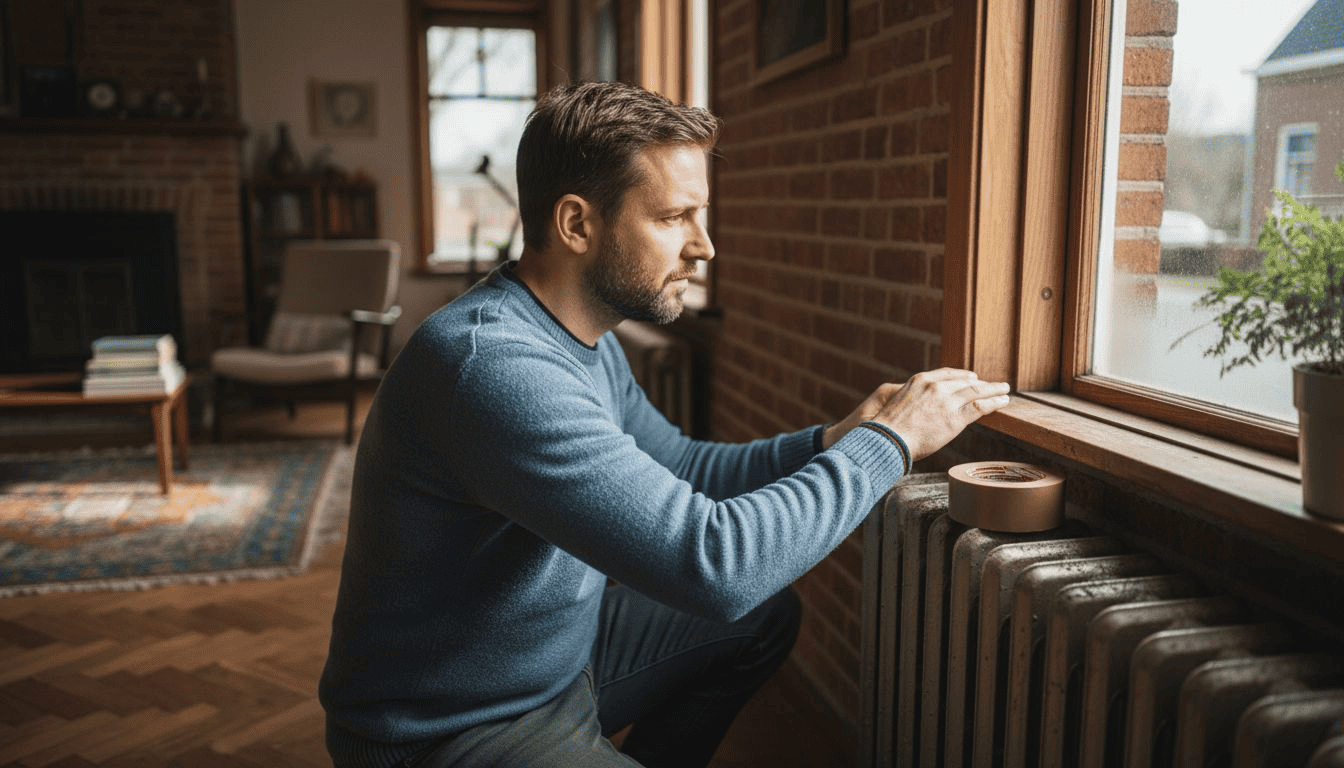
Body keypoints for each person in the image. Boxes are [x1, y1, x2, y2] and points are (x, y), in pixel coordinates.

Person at [318, 81, 1010, 768]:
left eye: (699, 215)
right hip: (449, 726)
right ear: (577, 224)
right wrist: (889, 443)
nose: (704, 247)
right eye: (675, 217)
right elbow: (717, 567)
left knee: (764, 617)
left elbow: (682, 466)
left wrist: (832, 441)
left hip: (557, 667)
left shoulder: (585, 336)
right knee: (738, 593)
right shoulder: (493, 368)